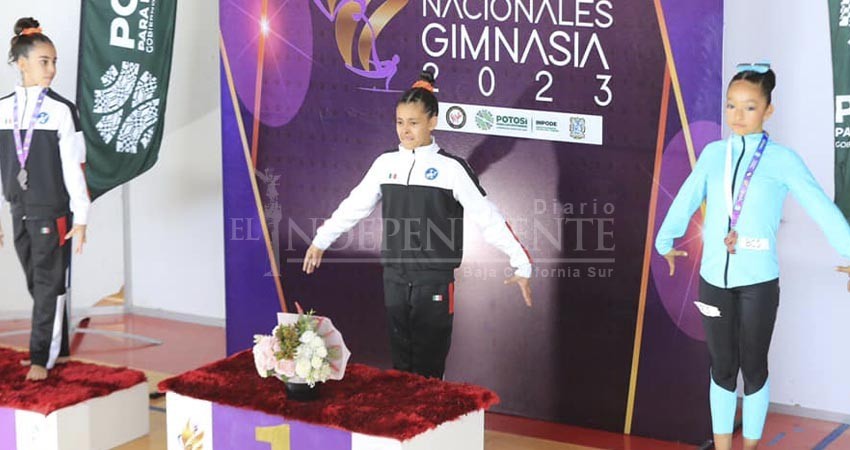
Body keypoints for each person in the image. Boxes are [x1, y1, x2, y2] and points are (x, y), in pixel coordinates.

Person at [656, 63, 850, 450]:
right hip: (713, 281)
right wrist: (665, 242)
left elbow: (821, 207)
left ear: (768, 111)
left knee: (754, 368)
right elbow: (687, 198)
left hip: (758, 284)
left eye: (749, 107)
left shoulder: (783, 160)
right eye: (731, 106)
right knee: (722, 368)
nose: (738, 116)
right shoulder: (713, 154)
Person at [303, 71, 533, 379]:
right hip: (395, 278)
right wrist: (321, 240)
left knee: (428, 366)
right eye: (400, 122)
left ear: (432, 122)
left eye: (413, 122)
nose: (405, 130)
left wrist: (521, 264)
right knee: (401, 364)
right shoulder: (386, 164)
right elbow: (353, 206)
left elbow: (487, 217)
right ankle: (405, 424)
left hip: (433, 282)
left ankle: (430, 425)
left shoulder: (451, 169)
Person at [0, 18, 90, 381]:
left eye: (54, 61)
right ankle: (54, 347)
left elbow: (75, 168)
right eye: (44, 61)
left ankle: (42, 356)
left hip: (52, 211)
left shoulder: (62, 111)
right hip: (18, 209)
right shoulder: (2, 109)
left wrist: (81, 218)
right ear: (22, 64)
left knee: (48, 285)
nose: (52, 69)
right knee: (38, 283)